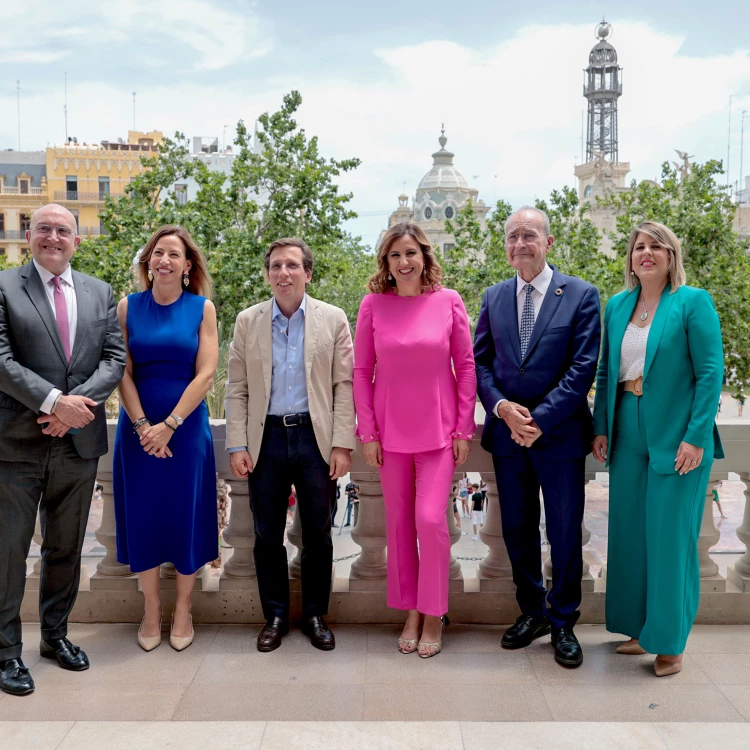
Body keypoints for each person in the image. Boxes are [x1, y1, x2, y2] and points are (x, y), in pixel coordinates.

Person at [0, 204, 126, 696]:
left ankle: (55, 636)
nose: (54, 237)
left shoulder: (99, 291)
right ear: (30, 235)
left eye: (64, 230)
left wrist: (75, 408)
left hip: (78, 444)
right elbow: (1, 359)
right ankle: (7, 652)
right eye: (45, 229)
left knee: (66, 548)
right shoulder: (6, 286)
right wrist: (54, 402)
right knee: (9, 551)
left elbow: (114, 359)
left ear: (78, 240)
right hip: (16, 444)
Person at [593, 220, 724, 677]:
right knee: (630, 535)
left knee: (670, 539)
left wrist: (696, 437)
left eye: (655, 246)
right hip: (626, 426)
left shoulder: (692, 303)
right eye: (638, 247)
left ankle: (670, 643)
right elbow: (607, 371)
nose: (645, 253)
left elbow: (711, 374)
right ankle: (637, 630)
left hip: (678, 434)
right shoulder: (618, 305)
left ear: (671, 256)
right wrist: (601, 426)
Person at [474, 206, 600, 668]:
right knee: (517, 530)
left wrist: (540, 420)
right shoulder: (493, 296)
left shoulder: (582, 295)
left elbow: (583, 367)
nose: (520, 243)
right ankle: (532, 613)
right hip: (508, 437)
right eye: (512, 236)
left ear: (549, 243)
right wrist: (504, 410)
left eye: (530, 235)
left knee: (565, 531)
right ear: (505, 248)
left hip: (561, 437)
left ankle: (564, 620)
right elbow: (479, 364)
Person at [226, 237, 355, 652]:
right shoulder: (248, 320)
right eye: (276, 266)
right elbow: (237, 388)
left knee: (317, 532)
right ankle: (276, 615)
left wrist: (341, 443)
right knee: (267, 533)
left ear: (307, 273)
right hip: (265, 438)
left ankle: (316, 614)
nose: (283, 273)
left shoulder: (333, 319)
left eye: (292, 266)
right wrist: (236, 444)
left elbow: (344, 386)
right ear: (268, 274)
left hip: (314, 439)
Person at [354, 221, 476, 658]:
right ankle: (410, 610)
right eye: (394, 256)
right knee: (399, 527)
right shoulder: (372, 305)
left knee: (430, 521)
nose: (403, 263)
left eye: (410, 254)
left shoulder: (448, 302)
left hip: (439, 434)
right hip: (388, 436)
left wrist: (464, 428)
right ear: (385, 263)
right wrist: (367, 432)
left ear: (424, 257)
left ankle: (434, 612)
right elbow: (360, 371)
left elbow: (465, 366)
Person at [112, 226, 218, 653]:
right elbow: (121, 370)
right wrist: (142, 426)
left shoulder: (201, 308)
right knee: (145, 517)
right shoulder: (127, 307)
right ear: (148, 261)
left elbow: (207, 373)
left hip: (186, 428)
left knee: (186, 515)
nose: (165, 261)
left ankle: (185, 608)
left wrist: (170, 424)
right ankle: (152, 610)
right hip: (137, 431)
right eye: (158, 253)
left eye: (174, 254)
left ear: (188, 266)